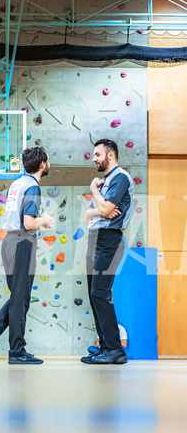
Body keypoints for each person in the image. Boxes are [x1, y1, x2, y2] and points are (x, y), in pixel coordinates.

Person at [0, 147, 54, 365]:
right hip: (22, 243)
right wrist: (44, 220)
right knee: (20, 299)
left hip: (9, 242)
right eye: (48, 161)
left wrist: (38, 222)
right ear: (42, 165)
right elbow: (29, 223)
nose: (49, 163)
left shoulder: (17, 183)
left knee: (19, 298)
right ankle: (17, 351)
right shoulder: (33, 187)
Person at [81, 139, 134, 365]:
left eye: (97, 154)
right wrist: (97, 211)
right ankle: (105, 347)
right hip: (96, 238)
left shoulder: (120, 177)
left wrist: (95, 192)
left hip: (109, 239)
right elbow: (91, 213)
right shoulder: (108, 180)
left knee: (100, 294)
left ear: (110, 155)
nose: (94, 159)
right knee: (94, 296)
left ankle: (115, 350)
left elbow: (104, 209)